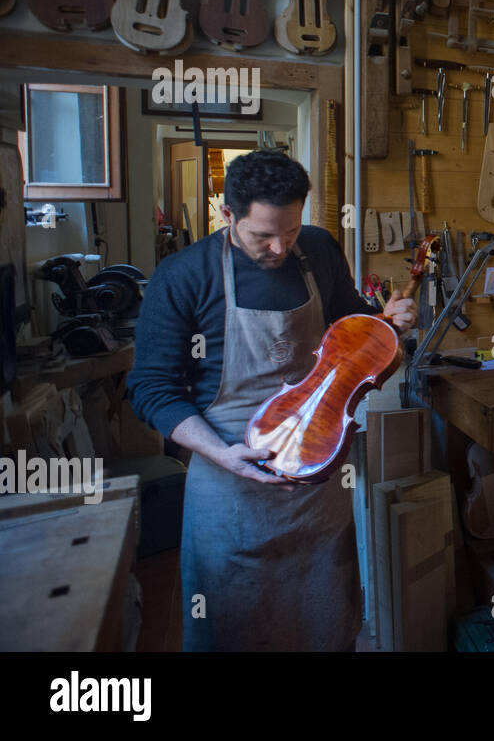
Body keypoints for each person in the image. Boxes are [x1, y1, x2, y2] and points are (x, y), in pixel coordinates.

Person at [127, 150, 415, 651]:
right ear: (227, 215)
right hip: (228, 474)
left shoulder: (320, 249)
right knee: (232, 621)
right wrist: (220, 454)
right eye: (262, 235)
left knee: (322, 616)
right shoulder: (183, 275)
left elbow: (348, 328)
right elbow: (152, 388)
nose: (280, 246)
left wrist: (384, 324)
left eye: (291, 229)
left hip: (314, 464)